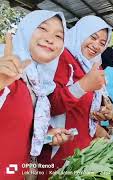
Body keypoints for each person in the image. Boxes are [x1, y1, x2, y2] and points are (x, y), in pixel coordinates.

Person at [38, 15, 113, 179]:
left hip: (80, 154)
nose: (96, 45)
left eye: (102, 43)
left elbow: (83, 107)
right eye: (93, 37)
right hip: (58, 154)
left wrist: (101, 114)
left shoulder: (88, 65)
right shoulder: (61, 58)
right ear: (81, 32)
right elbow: (50, 106)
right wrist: (84, 86)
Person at [0, 10, 70, 179]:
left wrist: (46, 137)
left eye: (59, 36)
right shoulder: (6, 68)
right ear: (26, 30)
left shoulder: (39, 87)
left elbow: (17, 132)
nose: (50, 39)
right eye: (42, 28)